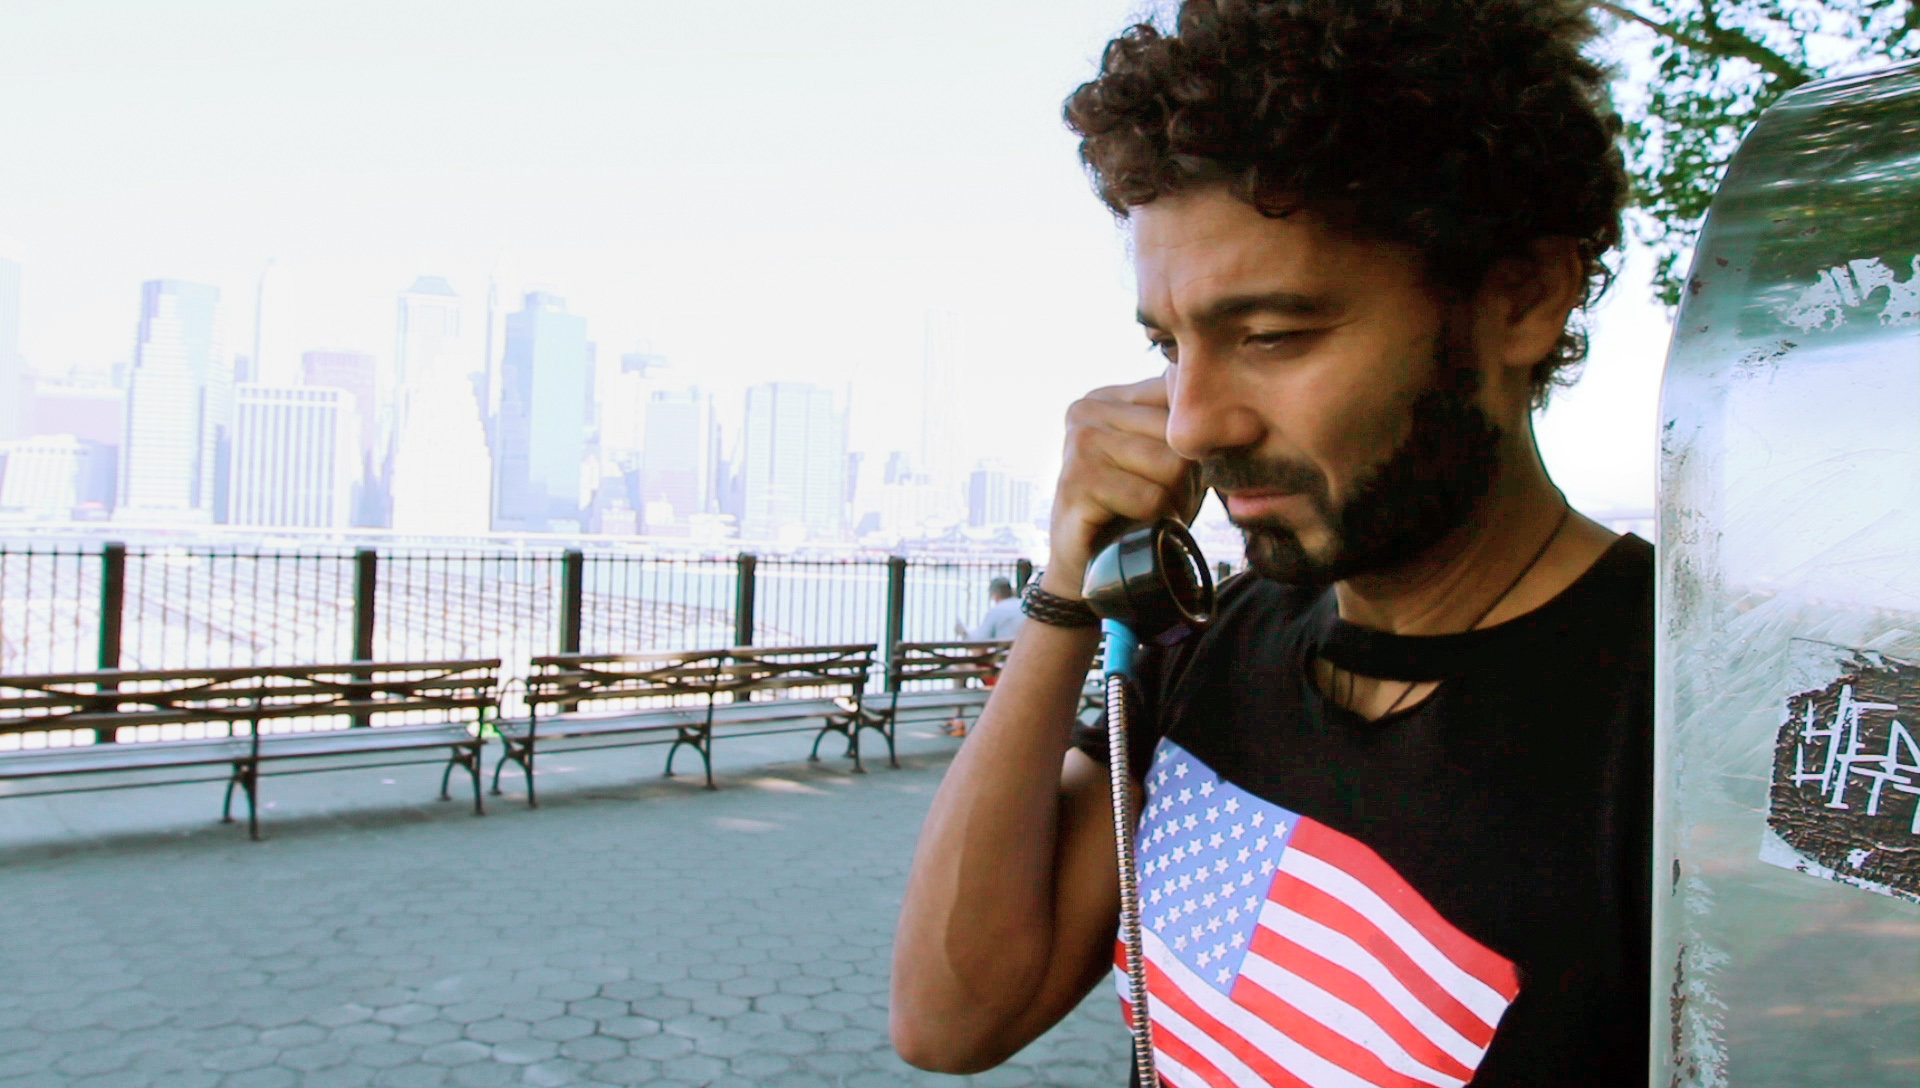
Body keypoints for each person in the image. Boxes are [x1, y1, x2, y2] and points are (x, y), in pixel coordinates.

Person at [891, 1, 1650, 1085]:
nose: (1194, 422)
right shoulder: (1210, 644)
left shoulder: (1681, 727)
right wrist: (1068, 590)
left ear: (1520, 299)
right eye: (1168, 343)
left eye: (1272, 336)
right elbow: (951, 1015)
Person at [946, 577, 1027, 736]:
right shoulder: (1024, 606)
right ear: (1010, 591)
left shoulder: (996, 611)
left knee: (958, 667)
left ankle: (958, 719)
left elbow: (978, 646)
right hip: (1024, 670)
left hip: (1000, 674)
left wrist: (963, 632)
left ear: (995, 595)